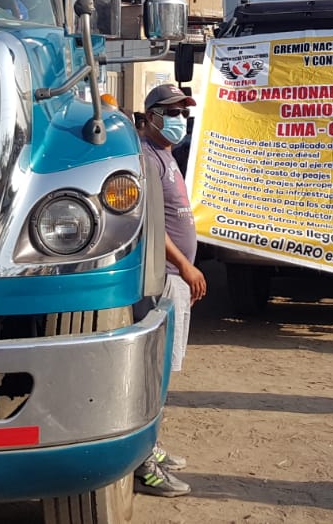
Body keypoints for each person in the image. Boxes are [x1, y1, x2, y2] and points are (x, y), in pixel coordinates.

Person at [132, 83, 206, 497]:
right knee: (154, 372)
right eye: (172, 111)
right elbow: (152, 223)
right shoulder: (147, 157)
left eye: (183, 111)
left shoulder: (165, 156)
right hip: (164, 277)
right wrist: (184, 265)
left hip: (174, 277)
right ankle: (142, 462)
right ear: (152, 115)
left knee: (161, 372)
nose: (179, 118)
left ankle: (150, 446)